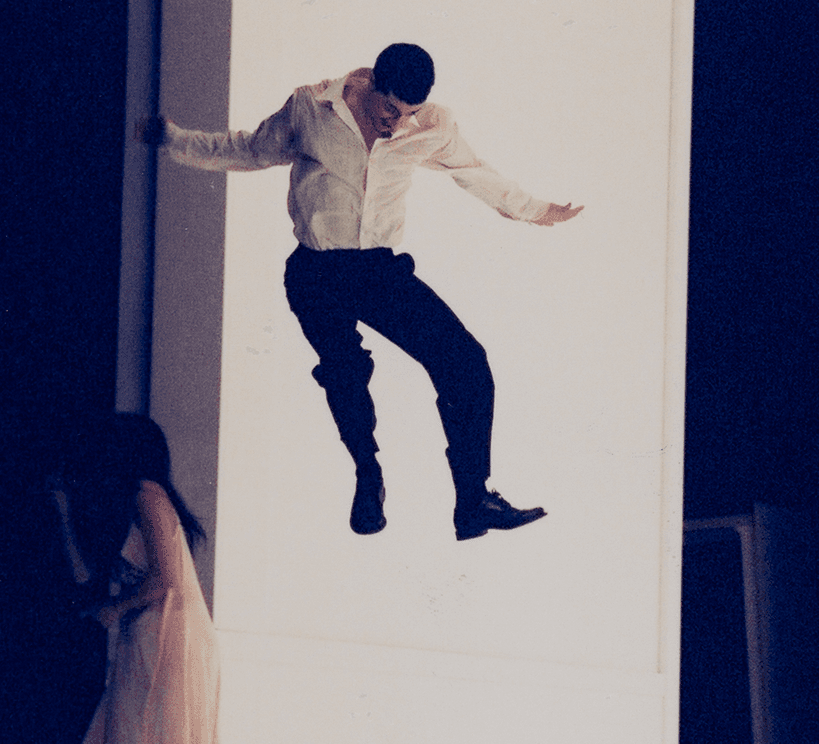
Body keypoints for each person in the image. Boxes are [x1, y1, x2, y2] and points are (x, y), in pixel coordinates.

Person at [139, 43, 583, 539]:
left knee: (465, 363)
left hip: (378, 272)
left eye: (407, 114)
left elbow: (476, 173)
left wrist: (537, 211)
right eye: (389, 110)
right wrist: (174, 140)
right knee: (345, 372)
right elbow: (249, 149)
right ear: (370, 81)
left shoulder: (431, 126)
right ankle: (368, 474)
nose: (396, 123)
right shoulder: (312, 107)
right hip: (315, 272)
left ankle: (473, 500)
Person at [51, 414, 221, 744]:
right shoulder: (119, 502)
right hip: (141, 644)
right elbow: (86, 576)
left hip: (175, 643)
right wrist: (63, 514)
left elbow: (166, 582)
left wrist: (114, 610)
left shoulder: (148, 494)